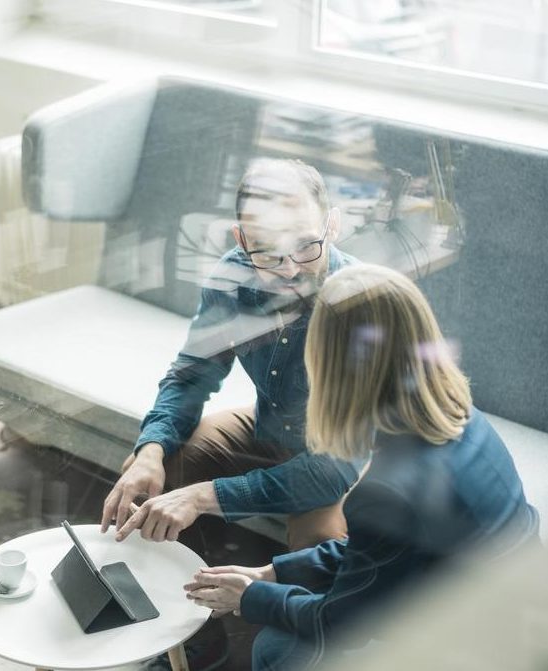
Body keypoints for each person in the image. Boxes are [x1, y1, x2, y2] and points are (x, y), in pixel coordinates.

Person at [184, 263, 540, 671]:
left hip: (473, 641)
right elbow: (376, 553)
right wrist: (273, 573)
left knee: (278, 648)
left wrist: (249, 597)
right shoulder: (459, 415)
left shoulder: (386, 490)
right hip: (511, 601)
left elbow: (336, 623)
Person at [101, 158, 363, 553]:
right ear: (241, 240)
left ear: (333, 225)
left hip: (347, 457)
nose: (289, 270)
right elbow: (192, 375)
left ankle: (253, 588)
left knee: (318, 542)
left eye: (306, 246)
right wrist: (150, 451)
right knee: (150, 475)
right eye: (267, 253)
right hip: (269, 426)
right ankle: (180, 584)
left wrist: (202, 497)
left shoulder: (360, 303)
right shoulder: (232, 279)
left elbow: (332, 471)